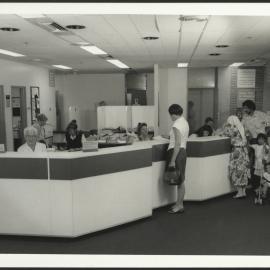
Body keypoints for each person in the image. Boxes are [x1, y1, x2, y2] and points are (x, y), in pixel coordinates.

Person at [166, 104, 189, 214]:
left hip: (177, 152)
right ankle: (179, 203)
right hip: (183, 152)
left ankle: (179, 205)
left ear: (173, 114)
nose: (170, 117)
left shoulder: (176, 124)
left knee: (179, 180)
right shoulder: (184, 122)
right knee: (181, 179)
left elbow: (177, 143)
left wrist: (172, 161)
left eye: (171, 115)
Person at [220, 115, 250, 198]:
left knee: (236, 171)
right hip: (244, 151)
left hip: (237, 151)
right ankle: (243, 191)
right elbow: (248, 136)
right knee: (243, 171)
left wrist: (224, 126)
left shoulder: (233, 129)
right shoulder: (243, 127)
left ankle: (239, 192)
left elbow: (223, 133)